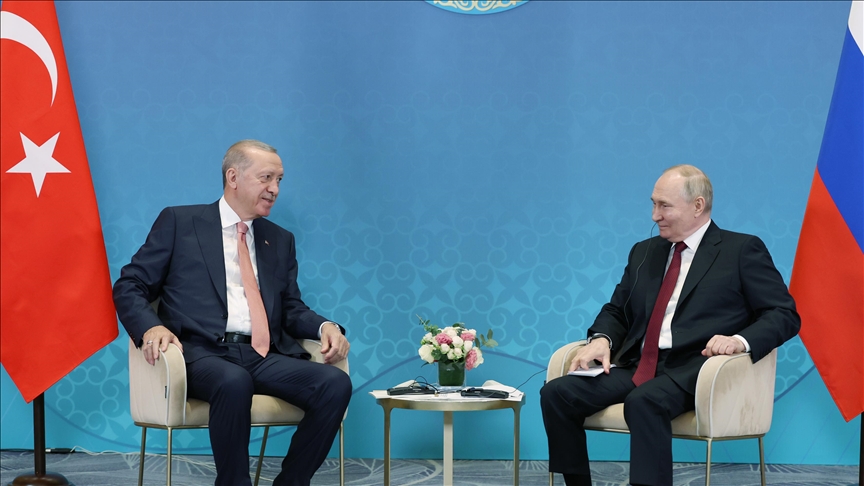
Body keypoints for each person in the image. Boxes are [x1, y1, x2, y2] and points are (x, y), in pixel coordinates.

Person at [540, 165, 800, 486]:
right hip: (638, 366)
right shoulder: (644, 252)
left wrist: (739, 340)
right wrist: (601, 339)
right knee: (557, 393)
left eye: (664, 206)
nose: (655, 216)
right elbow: (617, 310)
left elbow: (784, 314)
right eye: (653, 204)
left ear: (698, 205)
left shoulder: (741, 250)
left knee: (644, 401)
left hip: (695, 370)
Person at [113, 139, 352, 486]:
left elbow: (290, 307)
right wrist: (151, 327)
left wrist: (325, 326)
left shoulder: (279, 239)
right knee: (233, 380)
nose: (275, 189)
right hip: (199, 354)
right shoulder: (181, 222)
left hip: (261, 355)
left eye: (279, 180)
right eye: (266, 178)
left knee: (334, 383)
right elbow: (130, 284)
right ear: (233, 177)